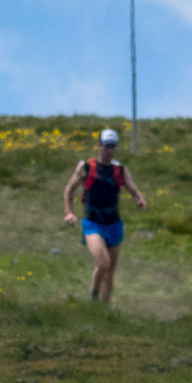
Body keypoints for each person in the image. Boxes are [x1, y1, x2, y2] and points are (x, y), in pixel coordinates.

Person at [63, 128, 148, 302]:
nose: (109, 150)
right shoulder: (86, 167)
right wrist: (69, 212)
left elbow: (133, 189)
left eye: (112, 147)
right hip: (92, 223)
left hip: (113, 223)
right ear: (99, 146)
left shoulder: (120, 171)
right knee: (103, 262)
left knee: (109, 273)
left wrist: (140, 199)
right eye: (106, 146)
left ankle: (103, 311)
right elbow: (69, 189)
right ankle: (94, 296)